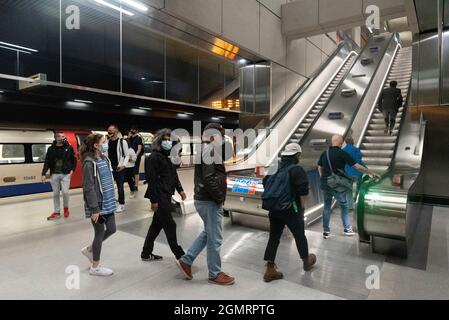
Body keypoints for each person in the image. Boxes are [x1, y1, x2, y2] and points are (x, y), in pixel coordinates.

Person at [176, 123, 234, 286]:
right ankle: (215, 273)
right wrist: (218, 197)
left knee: (208, 233)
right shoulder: (209, 150)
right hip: (209, 200)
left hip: (203, 198)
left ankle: (186, 261)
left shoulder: (205, 149)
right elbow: (209, 178)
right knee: (215, 238)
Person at [262, 143, 317, 282]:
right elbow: (303, 192)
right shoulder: (297, 170)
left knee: (274, 237)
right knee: (299, 235)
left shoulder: (274, 166)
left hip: (274, 207)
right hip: (291, 209)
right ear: (297, 155)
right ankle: (306, 261)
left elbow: (265, 182)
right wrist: (302, 208)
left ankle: (270, 268)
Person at [318, 135, 378, 239]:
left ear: (332, 142)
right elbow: (357, 166)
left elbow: (319, 166)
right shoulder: (342, 153)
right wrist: (370, 173)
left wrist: (322, 177)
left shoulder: (325, 153)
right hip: (337, 184)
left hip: (325, 183)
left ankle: (326, 231)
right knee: (344, 205)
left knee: (326, 207)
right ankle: (346, 229)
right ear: (341, 143)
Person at [141, 128, 186, 261]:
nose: (167, 142)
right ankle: (180, 255)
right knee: (170, 225)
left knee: (156, 225)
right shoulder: (153, 158)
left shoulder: (168, 157)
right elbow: (152, 181)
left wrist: (180, 189)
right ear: (159, 141)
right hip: (159, 196)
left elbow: (173, 175)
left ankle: (145, 253)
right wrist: (154, 201)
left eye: (169, 140)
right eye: (165, 140)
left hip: (166, 194)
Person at [79, 133, 117, 276]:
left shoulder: (104, 158)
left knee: (112, 229)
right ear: (96, 145)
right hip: (98, 207)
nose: (106, 143)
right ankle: (95, 267)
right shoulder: (89, 163)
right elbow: (88, 187)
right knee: (99, 233)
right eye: (104, 141)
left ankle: (89, 249)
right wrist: (94, 209)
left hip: (108, 204)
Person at [41, 132, 77, 221]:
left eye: (63, 136)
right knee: (56, 193)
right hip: (54, 174)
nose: (62, 138)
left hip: (65, 174)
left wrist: (72, 169)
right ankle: (56, 212)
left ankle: (66, 209)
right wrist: (43, 173)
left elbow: (74, 159)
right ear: (56, 138)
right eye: (60, 136)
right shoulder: (50, 149)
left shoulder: (69, 147)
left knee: (65, 192)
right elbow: (47, 162)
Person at [106, 125, 129, 213]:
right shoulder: (107, 142)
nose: (109, 132)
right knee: (111, 187)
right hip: (110, 168)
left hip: (120, 168)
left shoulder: (122, 141)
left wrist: (123, 165)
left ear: (116, 130)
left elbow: (127, 155)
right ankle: (112, 202)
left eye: (111, 130)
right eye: (108, 131)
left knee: (120, 187)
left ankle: (121, 204)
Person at [342, 136, 367, 212]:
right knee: (359, 186)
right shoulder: (356, 150)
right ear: (352, 141)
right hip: (356, 173)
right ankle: (357, 199)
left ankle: (350, 207)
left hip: (346, 173)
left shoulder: (342, 150)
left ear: (345, 142)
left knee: (348, 190)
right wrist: (366, 168)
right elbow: (358, 162)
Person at [128, 127, 144, 191]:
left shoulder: (138, 138)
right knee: (130, 171)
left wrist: (135, 156)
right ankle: (133, 182)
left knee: (135, 171)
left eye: (133, 130)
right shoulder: (129, 138)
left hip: (136, 157)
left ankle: (136, 185)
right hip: (129, 157)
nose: (132, 131)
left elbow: (139, 149)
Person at [125, 130, 138, 199]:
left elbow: (134, 158)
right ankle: (133, 188)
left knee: (130, 180)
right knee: (128, 180)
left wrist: (130, 159)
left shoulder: (131, 150)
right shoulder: (122, 150)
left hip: (130, 167)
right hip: (124, 167)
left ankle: (132, 191)